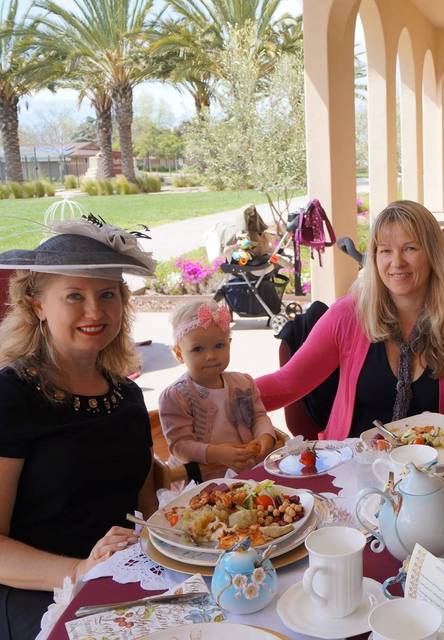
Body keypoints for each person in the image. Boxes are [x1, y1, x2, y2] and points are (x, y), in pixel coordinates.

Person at [0, 217, 157, 640]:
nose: (95, 310)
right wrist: (79, 571)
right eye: (74, 296)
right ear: (38, 306)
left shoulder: (126, 395)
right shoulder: (10, 394)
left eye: (108, 294)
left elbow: (144, 506)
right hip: (42, 593)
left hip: (127, 579)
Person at [255, 201, 444, 438]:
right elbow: (286, 385)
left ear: (433, 254)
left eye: (410, 248)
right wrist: (223, 394)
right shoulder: (348, 315)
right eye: (385, 250)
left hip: (431, 471)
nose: (397, 262)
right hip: (348, 467)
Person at [159, 300, 277, 481]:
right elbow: (180, 446)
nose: (211, 356)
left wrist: (265, 436)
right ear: (179, 354)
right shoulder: (176, 396)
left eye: (219, 345)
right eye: (197, 349)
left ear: (229, 344)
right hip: (201, 477)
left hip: (244, 469)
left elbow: (259, 417)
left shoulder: (243, 383)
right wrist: (217, 453)